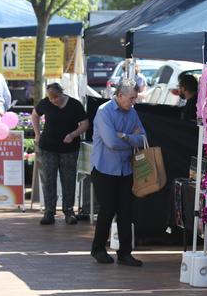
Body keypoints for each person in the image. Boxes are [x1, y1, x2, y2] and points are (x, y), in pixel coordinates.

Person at [90, 79, 146, 267]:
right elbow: (111, 143)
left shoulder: (133, 113)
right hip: (105, 169)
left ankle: (125, 253)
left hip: (126, 169)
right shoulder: (104, 112)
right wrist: (129, 140)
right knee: (107, 210)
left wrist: (125, 136)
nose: (133, 102)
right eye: (131, 98)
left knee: (126, 212)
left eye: (135, 98)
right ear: (119, 96)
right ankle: (98, 249)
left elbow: (143, 138)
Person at [32, 83, 89, 226]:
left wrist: (73, 134)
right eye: (51, 99)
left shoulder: (74, 104)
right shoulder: (45, 103)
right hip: (48, 147)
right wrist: (37, 134)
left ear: (61, 94)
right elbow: (35, 115)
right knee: (48, 179)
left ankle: (69, 210)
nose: (53, 101)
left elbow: (84, 123)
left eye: (56, 98)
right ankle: (49, 211)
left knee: (68, 179)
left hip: (69, 148)